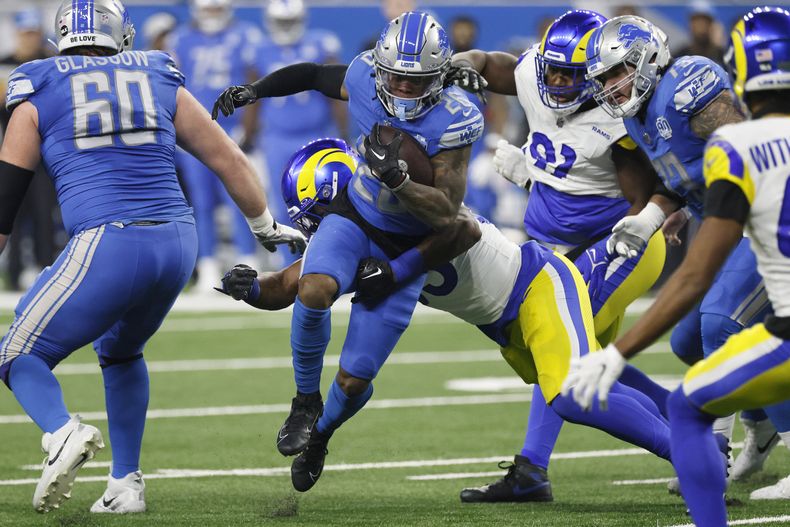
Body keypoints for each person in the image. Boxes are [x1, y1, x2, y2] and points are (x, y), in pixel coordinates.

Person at [220, 137, 686, 494]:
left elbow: (460, 230)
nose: (316, 226)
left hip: (538, 287)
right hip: (504, 325)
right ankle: (693, 428)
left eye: (318, 212)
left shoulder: (419, 210)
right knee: (593, 382)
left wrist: (395, 269)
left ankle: (692, 455)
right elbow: (291, 285)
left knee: (571, 393)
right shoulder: (352, 240)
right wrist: (251, 289)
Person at [0, 0, 304, 514]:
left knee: (16, 354)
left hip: (109, 241)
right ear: (122, 35)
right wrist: (264, 226)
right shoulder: (156, 73)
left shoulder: (39, 84)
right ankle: (126, 485)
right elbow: (227, 157)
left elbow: (6, 202)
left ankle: (61, 431)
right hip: (177, 242)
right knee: (121, 352)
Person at [214, 11, 484, 492]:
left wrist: (398, 179)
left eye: (415, 80)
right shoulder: (363, 76)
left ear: (439, 76)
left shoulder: (455, 118)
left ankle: (320, 436)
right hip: (355, 213)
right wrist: (255, 91)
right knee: (314, 288)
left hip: (409, 242)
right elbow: (314, 75)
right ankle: (304, 401)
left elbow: (447, 214)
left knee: (355, 379)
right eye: (395, 77)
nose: (403, 88)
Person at [563, 6, 790, 524]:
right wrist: (654, 215)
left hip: (760, 226)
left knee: (721, 323)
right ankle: (760, 426)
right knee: (689, 342)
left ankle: (717, 450)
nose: (612, 87)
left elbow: (748, 157)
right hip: (727, 222)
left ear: (648, 59)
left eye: (619, 72)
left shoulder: (689, 83)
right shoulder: (636, 115)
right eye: (604, 79)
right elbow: (683, 177)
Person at [446, 9, 670, 502]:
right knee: (573, 358)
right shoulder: (533, 73)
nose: (557, 82)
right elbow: (485, 61)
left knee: (559, 357)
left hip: (614, 245)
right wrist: (458, 66)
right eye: (552, 69)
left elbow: (643, 201)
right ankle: (684, 417)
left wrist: (660, 222)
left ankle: (537, 468)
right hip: (562, 249)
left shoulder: (616, 117)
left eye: (570, 74)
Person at [166, 0, 264, 291]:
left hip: (232, 130)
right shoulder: (180, 38)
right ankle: (207, 264)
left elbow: (256, 84)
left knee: (240, 197)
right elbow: (171, 85)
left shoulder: (246, 35)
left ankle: (248, 259)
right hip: (194, 131)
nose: (212, 16)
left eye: (216, 10)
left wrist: (248, 128)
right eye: (208, 10)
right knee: (201, 202)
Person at [255, 0, 346, 265]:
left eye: (290, 21)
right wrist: (249, 136)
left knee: (329, 200)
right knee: (283, 202)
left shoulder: (321, 43)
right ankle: (291, 263)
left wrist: (344, 133)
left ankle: (329, 259)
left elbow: (337, 94)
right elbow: (254, 99)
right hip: (276, 137)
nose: (286, 27)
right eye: (281, 22)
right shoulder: (258, 49)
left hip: (316, 134)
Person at [0, 8, 59, 291]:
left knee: (44, 215)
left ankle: (46, 272)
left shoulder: (50, 63)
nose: (29, 38)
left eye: (34, 33)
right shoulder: (4, 64)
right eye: (26, 33)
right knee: (10, 213)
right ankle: (13, 275)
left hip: (44, 155)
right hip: (11, 152)